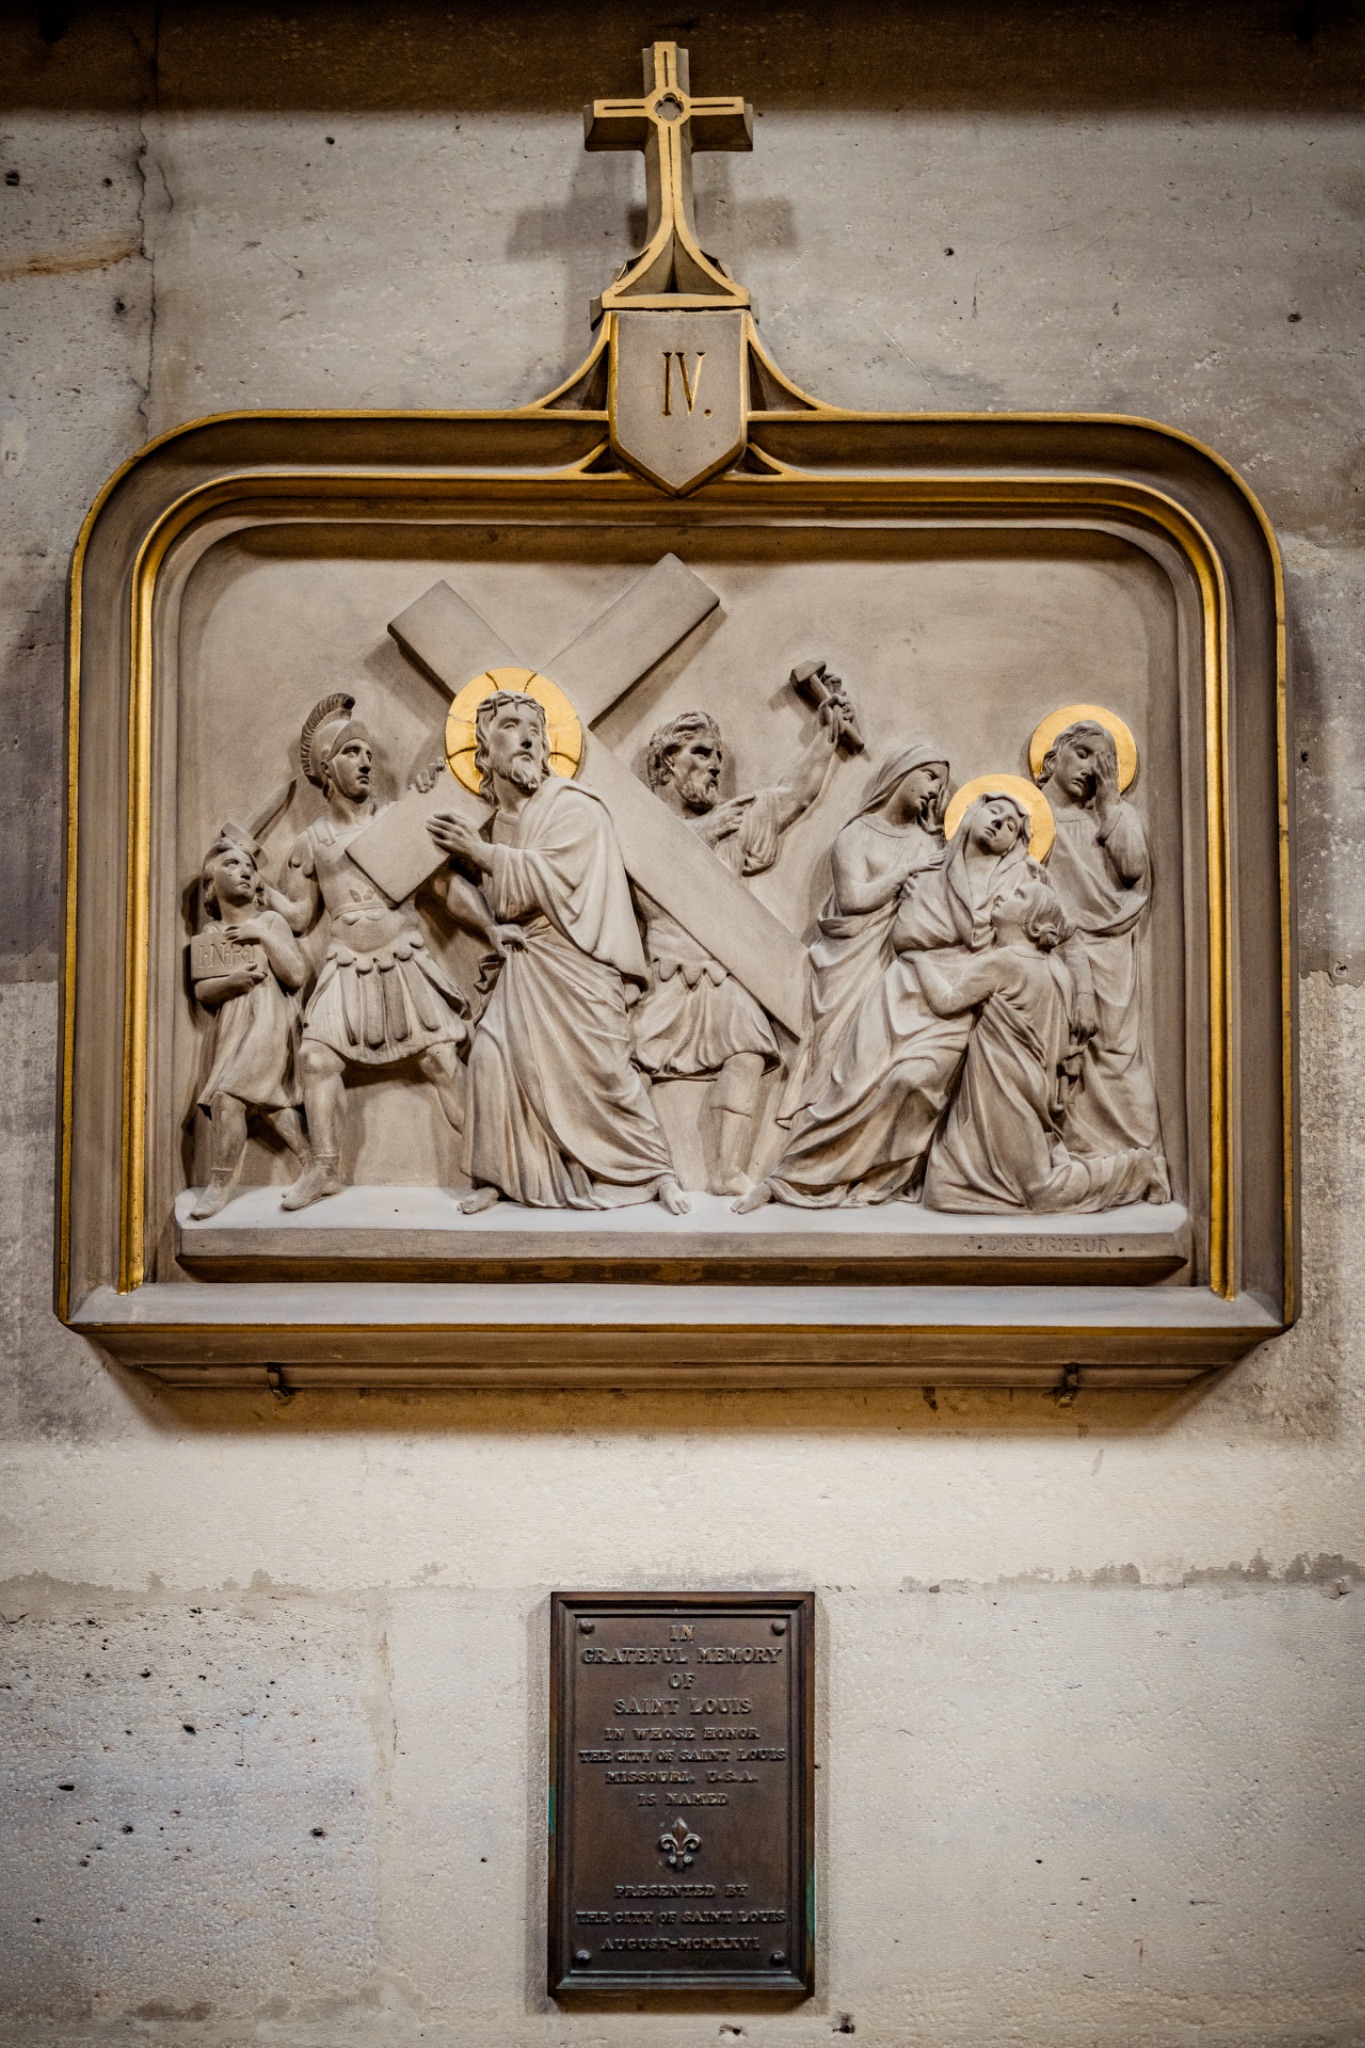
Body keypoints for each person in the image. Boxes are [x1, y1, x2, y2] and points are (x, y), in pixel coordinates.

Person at [426, 690, 689, 1214]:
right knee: (491, 1057)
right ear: (482, 752)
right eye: (508, 725)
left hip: (580, 962)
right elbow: (463, 891)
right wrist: (432, 807)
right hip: (525, 963)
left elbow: (561, 877)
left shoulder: (574, 806)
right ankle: (502, 1176)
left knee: (607, 1074)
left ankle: (655, 1171)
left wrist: (483, 855)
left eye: (534, 728)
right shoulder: (493, 824)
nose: (526, 736)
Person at [735, 792, 1039, 1211]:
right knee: (851, 1087)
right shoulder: (930, 867)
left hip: (958, 1002)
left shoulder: (1023, 881)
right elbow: (904, 932)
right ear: (971, 812)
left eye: (1009, 824)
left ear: (1016, 841)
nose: (998, 823)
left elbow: (1042, 935)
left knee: (913, 1081)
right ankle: (789, 1177)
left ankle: (884, 1179)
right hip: (899, 993)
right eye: (993, 812)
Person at [632, 681, 859, 1194]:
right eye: (701, 753)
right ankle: (639, 1168)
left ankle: (727, 1170)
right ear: (667, 762)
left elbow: (792, 796)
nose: (714, 765)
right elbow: (640, 879)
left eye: (718, 756)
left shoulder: (736, 819)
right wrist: (705, 832)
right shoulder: (637, 822)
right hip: (665, 971)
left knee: (747, 1055)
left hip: (720, 972)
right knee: (629, 1060)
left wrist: (825, 740)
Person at [276, 694, 472, 1210]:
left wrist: (493, 931)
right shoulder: (312, 841)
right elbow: (299, 916)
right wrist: (255, 896)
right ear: (325, 768)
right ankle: (325, 1168)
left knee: (441, 1059)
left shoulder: (397, 821)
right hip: (346, 965)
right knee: (316, 1059)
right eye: (351, 752)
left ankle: (485, 1158)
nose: (365, 761)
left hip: (402, 956)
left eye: (368, 751)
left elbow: (444, 889)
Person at [919, 872, 1161, 1212]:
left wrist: (917, 960)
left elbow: (946, 1002)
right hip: (1026, 1084)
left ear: (1032, 924)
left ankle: (1134, 1169)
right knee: (946, 1190)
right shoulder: (1057, 971)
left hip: (1006, 1087)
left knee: (1038, 1189)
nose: (1003, 894)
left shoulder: (1001, 962)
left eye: (1017, 893)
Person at [778, 739, 949, 1130]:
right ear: (901, 772)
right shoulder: (855, 835)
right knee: (834, 1052)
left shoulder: (926, 843)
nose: (935, 790)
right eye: (929, 776)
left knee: (874, 1051)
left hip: (895, 965)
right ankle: (814, 1131)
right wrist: (904, 875)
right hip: (848, 961)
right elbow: (853, 898)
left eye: (941, 786)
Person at [1034, 719, 1168, 1194]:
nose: (1092, 770)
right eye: (1084, 754)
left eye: (1104, 762)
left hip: (1107, 952)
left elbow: (1132, 867)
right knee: (1053, 1055)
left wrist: (1110, 801)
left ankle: (1139, 1158)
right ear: (1052, 759)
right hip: (1049, 952)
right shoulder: (1027, 813)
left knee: (1114, 1052)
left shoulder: (1112, 815)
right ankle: (1065, 1153)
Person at [188, 833, 310, 1217]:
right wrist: (232, 982)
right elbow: (204, 991)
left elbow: (295, 973)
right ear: (211, 885)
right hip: (234, 1023)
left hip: (271, 1019)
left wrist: (261, 935)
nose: (245, 872)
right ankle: (316, 1163)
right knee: (271, 1101)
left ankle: (220, 1184)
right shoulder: (211, 935)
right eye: (233, 865)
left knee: (229, 1097)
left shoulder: (270, 919)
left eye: (250, 867)